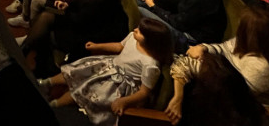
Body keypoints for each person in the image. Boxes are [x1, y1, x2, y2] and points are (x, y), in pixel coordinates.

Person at [39, 18, 173, 125]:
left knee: (83, 91)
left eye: (139, 31)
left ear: (150, 39)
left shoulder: (151, 65)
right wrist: (98, 45)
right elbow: (119, 46)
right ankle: (47, 83)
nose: (135, 30)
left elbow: (144, 92)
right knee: (75, 71)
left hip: (120, 84)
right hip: (109, 65)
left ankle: (55, 106)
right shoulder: (133, 37)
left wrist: (124, 101)